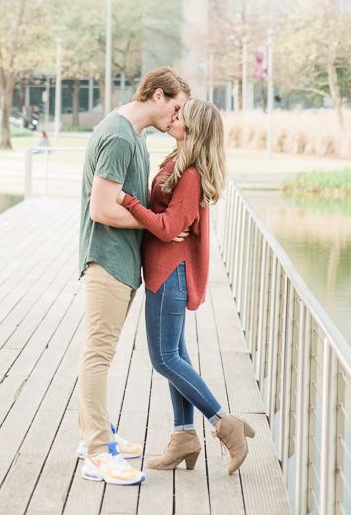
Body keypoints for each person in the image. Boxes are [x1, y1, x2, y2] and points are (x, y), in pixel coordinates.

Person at [118, 97, 255, 475]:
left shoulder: (191, 175)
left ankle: (224, 424)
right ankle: (183, 436)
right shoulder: (175, 162)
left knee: (165, 358)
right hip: (162, 270)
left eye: (181, 116)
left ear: (193, 129)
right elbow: (165, 221)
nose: (173, 117)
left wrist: (128, 201)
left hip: (170, 273)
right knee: (176, 356)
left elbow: (166, 227)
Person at [77, 67, 191, 487]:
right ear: (158, 95)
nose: (176, 117)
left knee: (99, 351)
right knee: (98, 353)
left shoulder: (134, 135)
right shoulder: (121, 136)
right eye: (175, 107)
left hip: (121, 262)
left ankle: (96, 433)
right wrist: (157, 224)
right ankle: (95, 452)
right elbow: (102, 208)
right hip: (106, 260)